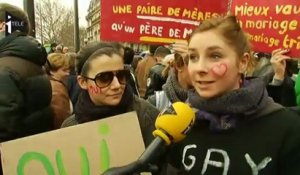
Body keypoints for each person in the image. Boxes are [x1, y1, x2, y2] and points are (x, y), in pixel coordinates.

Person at [163, 15, 300, 175]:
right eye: (193, 57)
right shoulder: (181, 123)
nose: (200, 68)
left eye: (215, 56)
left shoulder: (287, 129)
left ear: (242, 62)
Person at [61, 46, 160, 147]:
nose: (117, 85)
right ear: (83, 82)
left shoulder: (147, 116)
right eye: (104, 78)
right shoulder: (69, 128)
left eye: (121, 75)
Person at [0, 3, 53, 142]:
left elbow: (4, 128)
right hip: (32, 150)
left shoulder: (4, 68)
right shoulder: (30, 59)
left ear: (2, 25)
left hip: (11, 157)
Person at [45, 53, 72, 129]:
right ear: (52, 71)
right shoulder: (57, 89)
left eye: (68, 69)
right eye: (64, 70)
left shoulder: (49, 83)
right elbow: (61, 117)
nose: (68, 73)